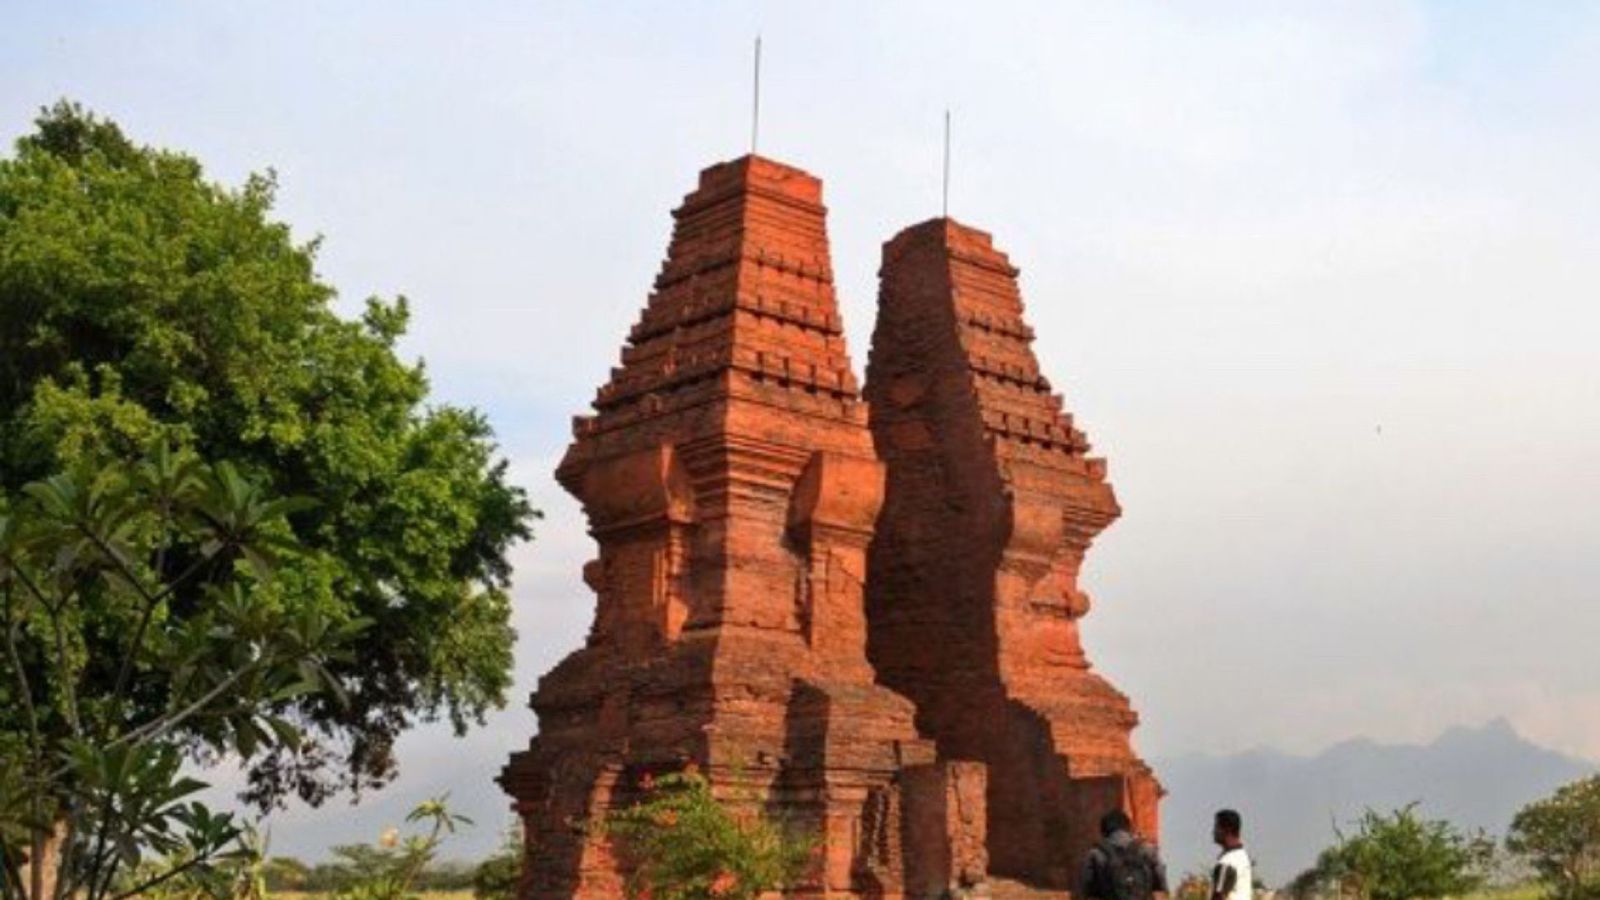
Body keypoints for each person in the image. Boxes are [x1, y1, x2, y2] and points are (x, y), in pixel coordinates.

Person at [1082, 809, 1169, 900]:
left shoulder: (1095, 854)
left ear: (1103, 832)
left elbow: (1088, 893)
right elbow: (1161, 891)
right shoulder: (1149, 850)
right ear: (1128, 828)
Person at [1210, 809, 1253, 900]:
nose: (1213, 832)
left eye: (1217, 827)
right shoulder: (1242, 856)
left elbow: (1219, 896)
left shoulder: (1227, 862)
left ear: (1227, 830)